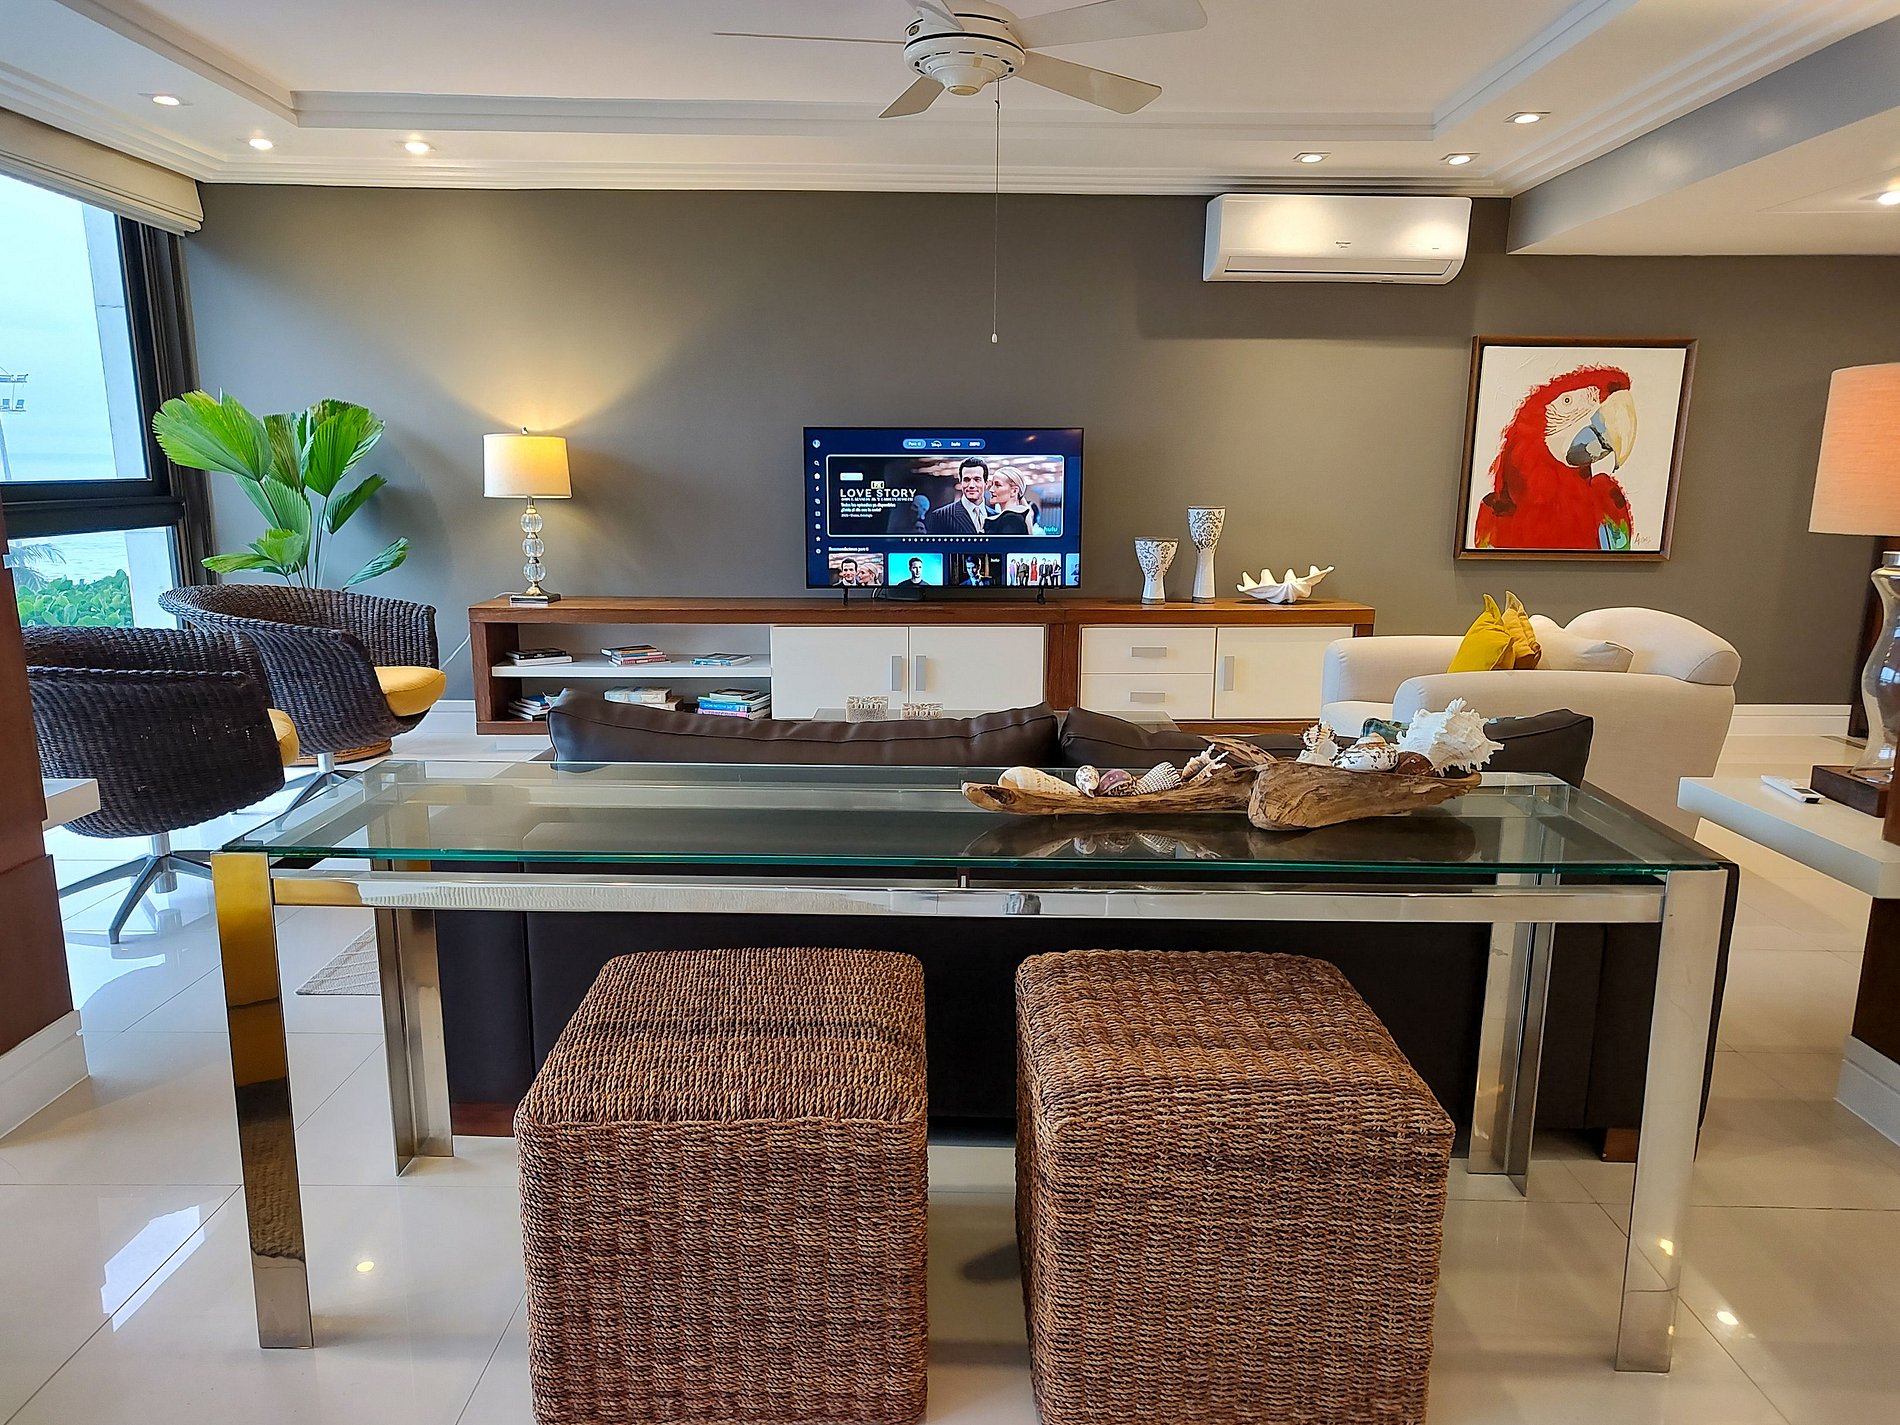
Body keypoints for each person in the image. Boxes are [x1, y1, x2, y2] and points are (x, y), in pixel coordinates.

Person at [924, 459, 988, 536]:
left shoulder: (996, 516)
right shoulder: (941, 516)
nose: (971, 485)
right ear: (961, 483)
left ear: (986, 484)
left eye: (977, 480)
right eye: (966, 480)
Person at [984, 466, 1035, 536]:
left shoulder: (1011, 519)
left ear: (1014, 491)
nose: (991, 490)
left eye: (998, 485)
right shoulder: (1014, 517)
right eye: (992, 484)